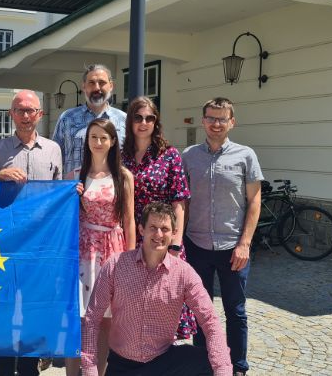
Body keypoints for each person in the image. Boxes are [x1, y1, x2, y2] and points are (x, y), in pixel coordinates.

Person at [82, 202, 232, 376]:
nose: (159, 234)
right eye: (153, 227)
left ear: (174, 233)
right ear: (141, 229)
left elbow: (210, 321)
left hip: (162, 361)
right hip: (122, 365)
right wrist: (89, 368)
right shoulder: (115, 266)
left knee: (209, 362)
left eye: (165, 229)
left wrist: (223, 371)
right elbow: (92, 318)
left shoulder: (184, 273)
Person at [0, 90, 63, 376]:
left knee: (33, 309)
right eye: (20, 110)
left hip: (39, 247)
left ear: (40, 114)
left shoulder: (54, 150)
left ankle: (30, 367)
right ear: (11, 114)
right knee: (1, 308)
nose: (26, 116)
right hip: (4, 245)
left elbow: (58, 196)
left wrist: (71, 192)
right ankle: (1, 367)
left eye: (31, 111)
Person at [182, 97, 263, 376]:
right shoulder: (189, 156)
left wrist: (245, 244)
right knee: (200, 311)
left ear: (232, 122)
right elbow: (184, 202)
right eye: (211, 118)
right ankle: (203, 364)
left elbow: (254, 201)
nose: (216, 124)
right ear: (203, 120)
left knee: (235, 312)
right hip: (197, 245)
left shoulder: (246, 155)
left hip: (233, 247)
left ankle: (238, 367)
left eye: (222, 118)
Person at [120, 96, 196, 340]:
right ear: (130, 121)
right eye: (138, 117)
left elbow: (179, 202)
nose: (144, 123)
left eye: (149, 118)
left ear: (156, 122)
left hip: (163, 238)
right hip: (131, 238)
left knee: (163, 302)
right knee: (134, 303)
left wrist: (175, 243)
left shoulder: (169, 155)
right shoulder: (121, 156)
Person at [65, 118, 134, 376]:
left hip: (111, 251)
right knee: (80, 319)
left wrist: (130, 259)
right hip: (82, 253)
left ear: (113, 141)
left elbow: (129, 220)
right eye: (93, 137)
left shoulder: (124, 176)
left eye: (103, 138)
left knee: (105, 320)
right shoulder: (75, 176)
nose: (98, 142)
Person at [52, 64, 126, 175]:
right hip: (74, 189)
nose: (97, 88)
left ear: (111, 86)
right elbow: (54, 158)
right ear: (84, 86)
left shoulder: (124, 120)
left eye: (102, 83)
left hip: (111, 189)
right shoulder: (67, 118)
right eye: (91, 83)